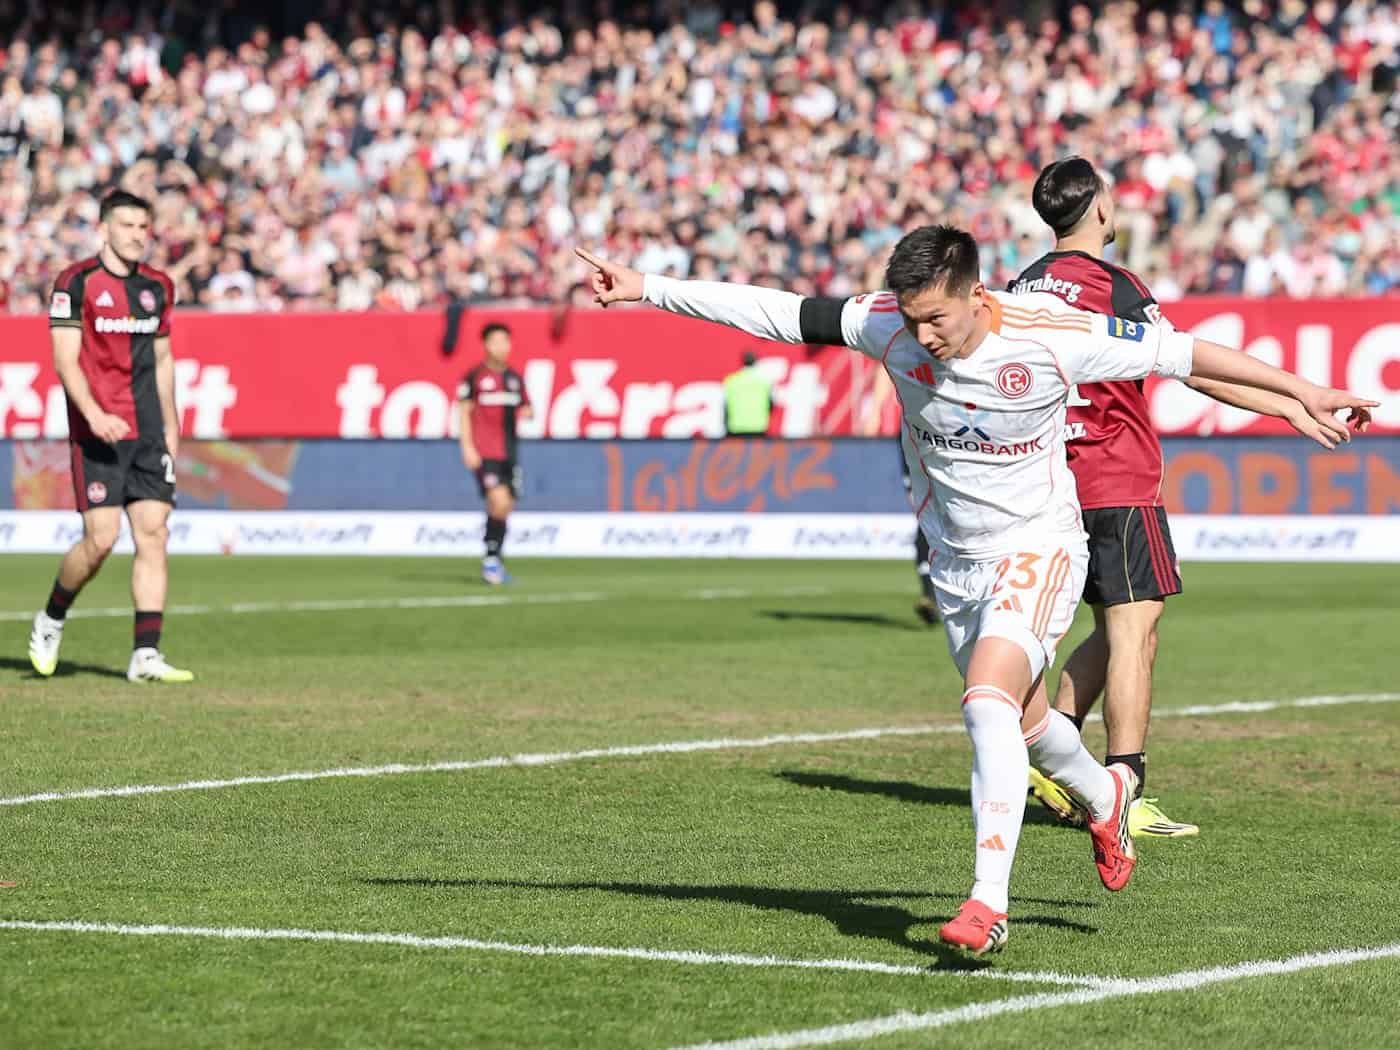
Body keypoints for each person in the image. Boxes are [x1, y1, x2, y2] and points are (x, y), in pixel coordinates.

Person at [576, 231, 1371, 955]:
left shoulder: (1055, 336)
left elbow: (1189, 355)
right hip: (955, 561)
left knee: (987, 703)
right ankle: (1106, 799)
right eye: (912, 321)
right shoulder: (884, 322)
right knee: (1026, 727)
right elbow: (777, 313)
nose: (923, 337)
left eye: (936, 320)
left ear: (974, 293)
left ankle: (987, 904)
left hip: (1040, 544)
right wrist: (647, 285)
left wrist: (1305, 394)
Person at [1012, 157, 1360, 838]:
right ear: (1102, 211)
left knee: (1115, 631)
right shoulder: (1114, 287)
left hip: (1053, 482)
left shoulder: (1020, 287)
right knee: (1135, 634)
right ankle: (1126, 793)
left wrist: (1286, 408)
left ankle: (1053, 761)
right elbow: (1192, 368)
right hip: (1119, 480)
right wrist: (1293, 398)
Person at [28, 190, 193, 683]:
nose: (138, 235)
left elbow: (162, 362)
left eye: (144, 227)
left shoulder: (159, 287)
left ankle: (146, 653)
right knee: (100, 540)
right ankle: (51, 617)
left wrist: (172, 428)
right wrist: (95, 414)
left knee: (154, 533)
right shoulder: (74, 283)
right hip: (97, 430)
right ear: (104, 228)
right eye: (127, 226)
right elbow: (64, 359)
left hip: (146, 433)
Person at [457, 322, 532, 585]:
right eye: (496, 341)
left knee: (505, 507)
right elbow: (464, 411)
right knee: (498, 501)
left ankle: (494, 556)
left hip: (510, 454)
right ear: (486, 345)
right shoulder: (474, 377)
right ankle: (491, 561)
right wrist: (467, 446)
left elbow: (527, 407)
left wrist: (526, 412)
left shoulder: (514, 378)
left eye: (505, 341)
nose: (501, 347)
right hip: (484, 451)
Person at [721, 351, 773, 436]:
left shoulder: (731, 380)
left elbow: (725, 406)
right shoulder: (765, 382)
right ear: (756, 361)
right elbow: (771, 405)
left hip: (735, 429)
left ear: (742, 361)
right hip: (758, 428)